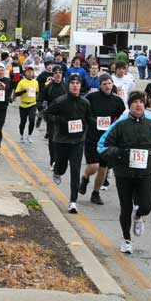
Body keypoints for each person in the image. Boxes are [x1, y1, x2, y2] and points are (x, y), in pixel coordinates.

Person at [99, 91, 151, 254]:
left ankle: (139, 216)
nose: (138, 105)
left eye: (141, 102)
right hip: (124, 173)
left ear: (145, 105)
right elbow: (102, 146)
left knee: (146, 206)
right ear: (129, 106)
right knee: (125, 208)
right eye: (135, 102)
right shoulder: (120, 125)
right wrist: (120, 153)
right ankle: (126, 240)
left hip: (145, 172)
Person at [43, 73, 90, 214]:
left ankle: (73, 201)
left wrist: (86, 129)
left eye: (78, 83)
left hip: (77, 141)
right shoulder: (60, 101)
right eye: (72, 83)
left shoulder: (85, 103)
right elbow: (47, 114)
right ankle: (57, 171)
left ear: (80, 86)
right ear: (68, 85)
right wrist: (60, 122)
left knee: (75, 171)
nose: (75, 85)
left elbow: (89, 118)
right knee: (61, 167)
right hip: (62, 140)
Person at [79, 73, 125, 205]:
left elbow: (122, 118)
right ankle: (85, 178)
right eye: (104, 84)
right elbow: (84, 111)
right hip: (92, 137)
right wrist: (91, 120)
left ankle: (95, 193)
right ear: (100, 85)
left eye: (109, 83)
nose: (107, 86)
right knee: (94, 166)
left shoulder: (117, 101)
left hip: (107, 139)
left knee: (103, 168)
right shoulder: (92, 97)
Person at [38, 66, 67, 170]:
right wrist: (42, 108)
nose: (58, 74)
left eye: (60, 72)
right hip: (51, 118)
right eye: (56, 72)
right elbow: (40, 99)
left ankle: (61, 160)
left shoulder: (66, 87)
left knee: (63, 140)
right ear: (53, 75)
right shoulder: (48, 87)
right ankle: (53, 161)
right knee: (53, 139)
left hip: (64, 118)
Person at [13, 65, 39, 143]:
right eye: (28, 71)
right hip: (23, 105)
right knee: (23, 122)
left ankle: (29, 136)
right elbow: (16, 93)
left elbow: (37, 92)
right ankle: (21, 136)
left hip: (32, 104)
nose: (30, 73)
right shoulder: (22, 82)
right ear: (25, 73)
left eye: (31, 71)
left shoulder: (35, 82)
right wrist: (24, 91)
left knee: (32, 120)